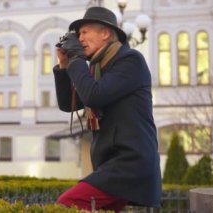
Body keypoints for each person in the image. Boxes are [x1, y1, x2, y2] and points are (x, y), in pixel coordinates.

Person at [53, 6, 162, 212]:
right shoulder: (96, 68)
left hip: (130, 163)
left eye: (84, 32)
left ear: (105, 33)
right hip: (111, 164)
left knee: (67, 204)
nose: (80, 39)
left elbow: (95, 95)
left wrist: (77, 60)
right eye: (78, 35)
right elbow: (70, 104)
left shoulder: (130, 61)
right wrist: (64, 65)